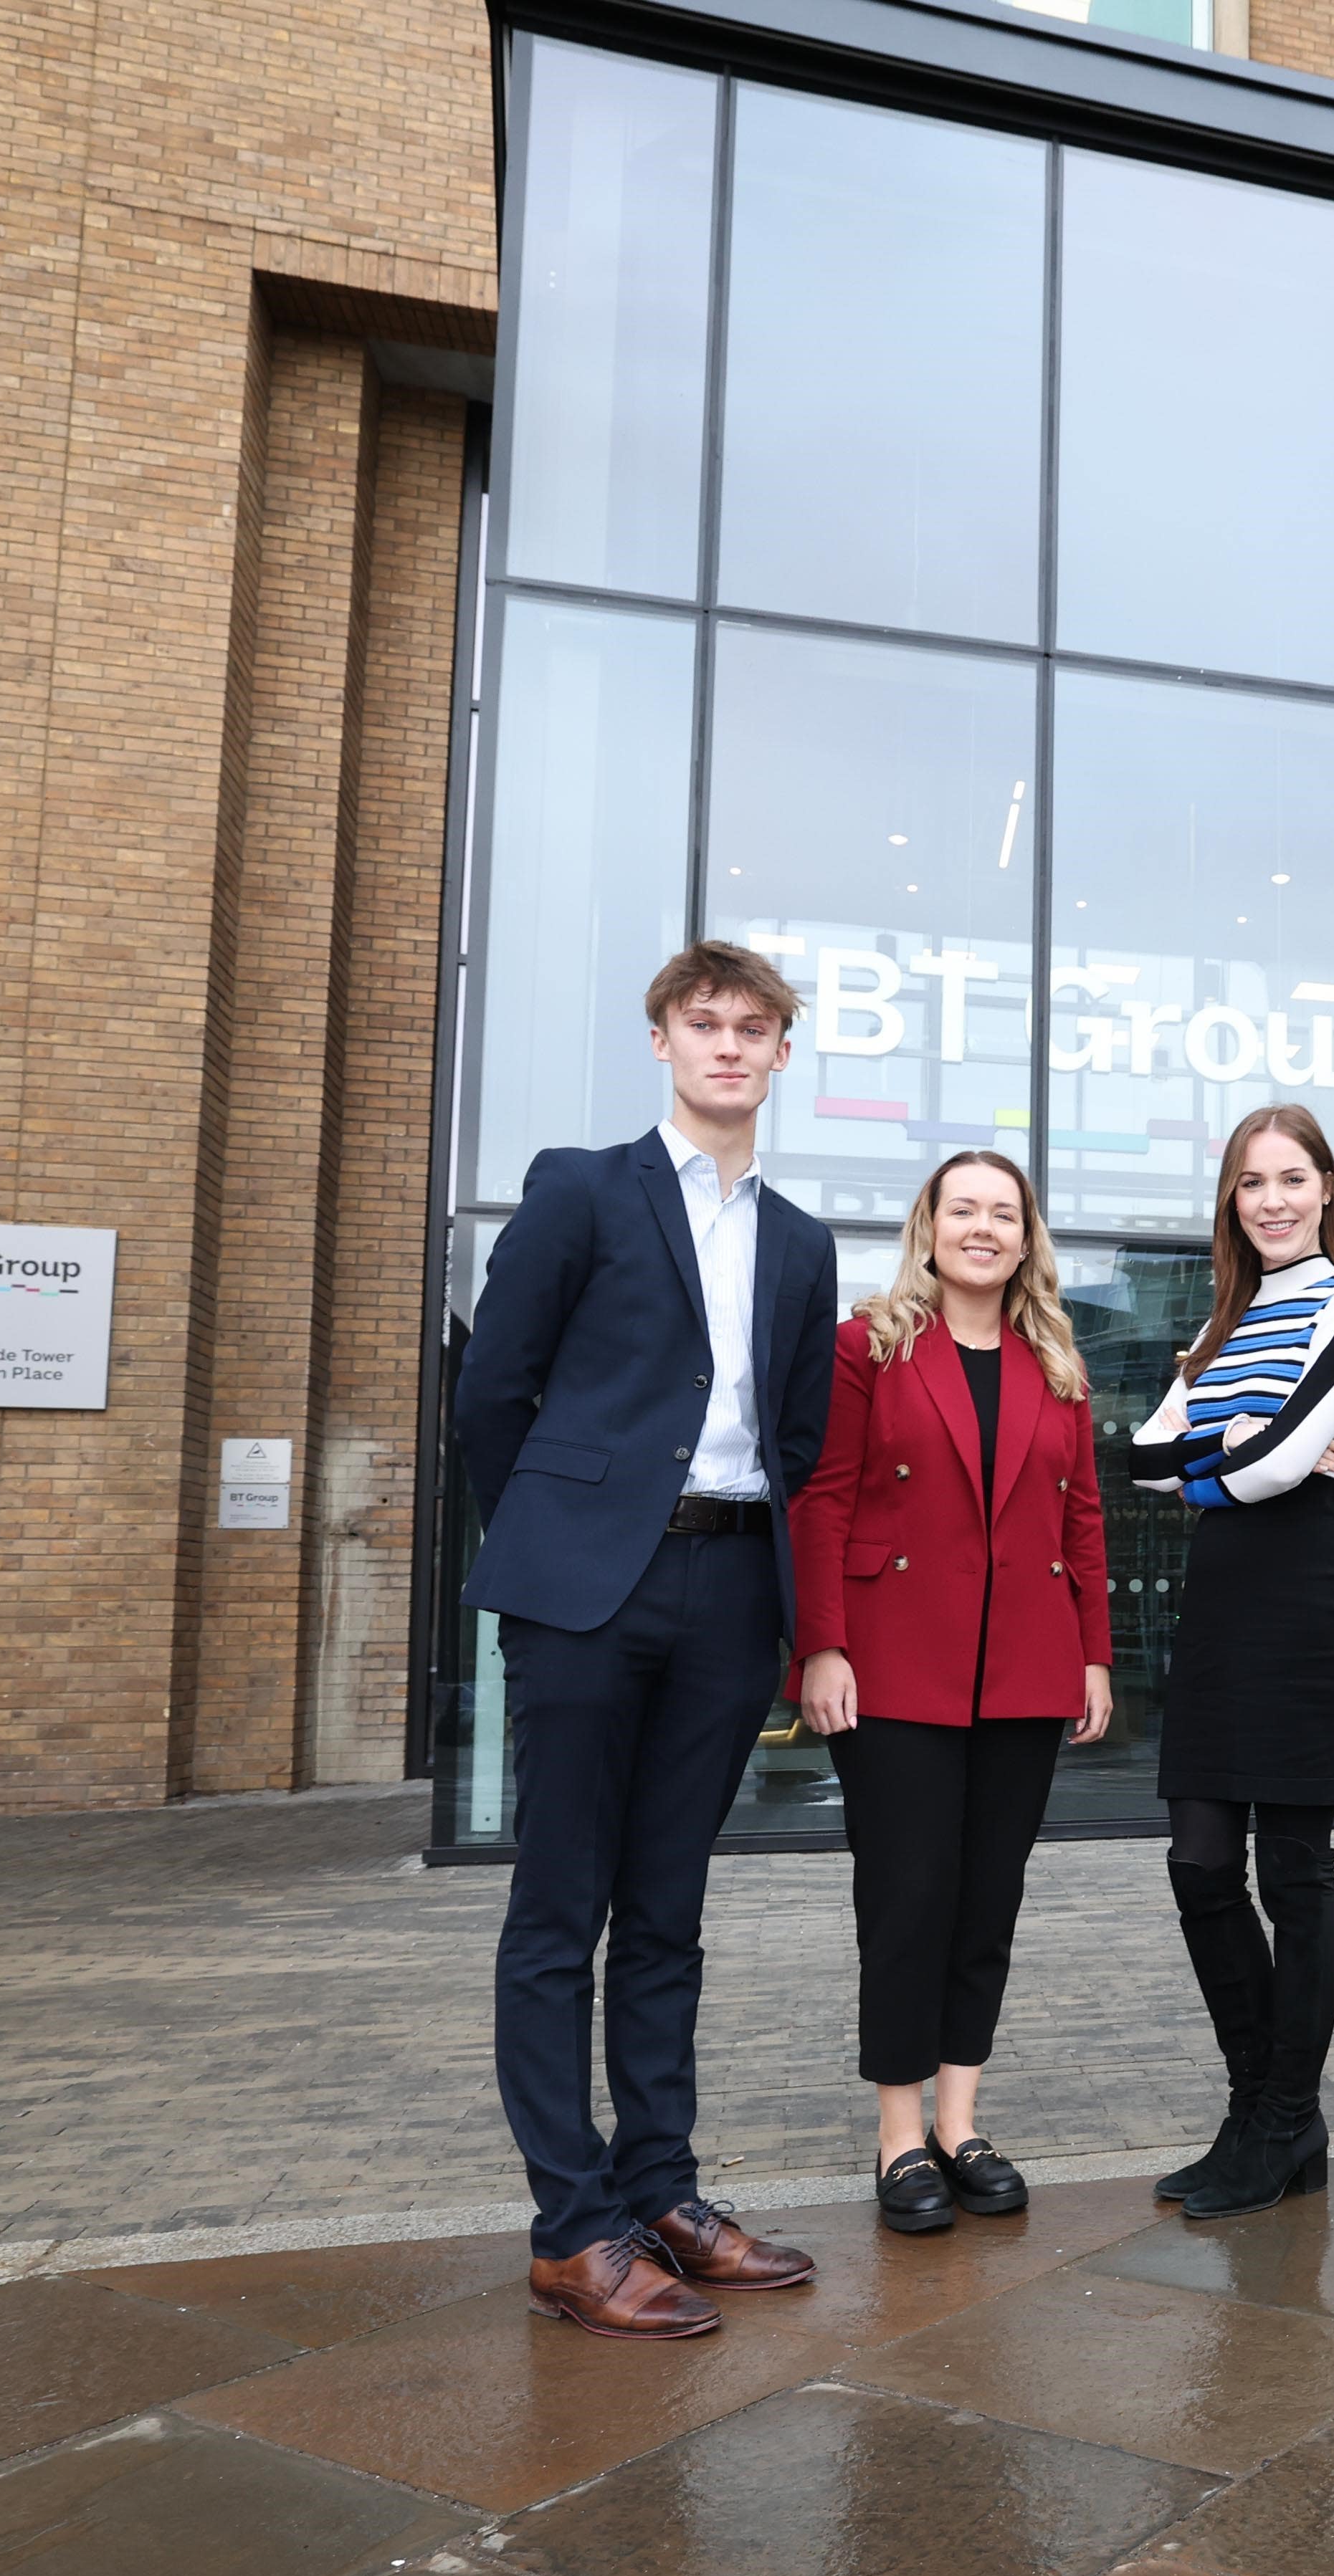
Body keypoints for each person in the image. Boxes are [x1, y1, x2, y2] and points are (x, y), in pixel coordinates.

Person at [457, 941, 840, 2340]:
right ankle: (573, 2227)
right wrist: (564, 1543)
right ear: (664, 1040)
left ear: (782, 1053)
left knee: (669, 1909)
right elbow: (492, 1391)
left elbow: (798, 1437)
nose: (729, 1045)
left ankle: (661, 2190)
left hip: (733, 1592)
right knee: (562, 1909)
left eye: (755, 1027)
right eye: (705, 1022)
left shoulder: (801, 1240)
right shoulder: (581, 1186)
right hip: (589, 1595)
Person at [793, 1150, 1115, 2237]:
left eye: (1004, 1213)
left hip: (1023, 1670)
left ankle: (960, 2122)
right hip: (894, 1667)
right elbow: (824, 1503)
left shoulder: (1056, 1365)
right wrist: (821, 1649)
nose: (984, 1228)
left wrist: (1093, 1656)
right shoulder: (868, 1347)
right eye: (963, 1209)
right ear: (930, 1225)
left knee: (988, 1904)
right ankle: (897, 2133)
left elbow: (1084, 1526)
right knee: (907, 1903)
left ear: (1028, 1239)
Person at [1125, 1103, 1334, 2222]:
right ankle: (1257, 2111)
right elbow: (1139, 1456)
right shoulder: (1220, 1328)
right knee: (1197, 1864)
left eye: (1292, 1177)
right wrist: (1234, 1456)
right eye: (1250, 1184)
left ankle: (1286, 2121)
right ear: (1230, 1205)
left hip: (1303, 1592)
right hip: (1223, 1593)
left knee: (1293, 1869)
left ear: (1327, 1190)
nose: (1273, 1200)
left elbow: (1283, 1467)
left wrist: (1223, 1458)